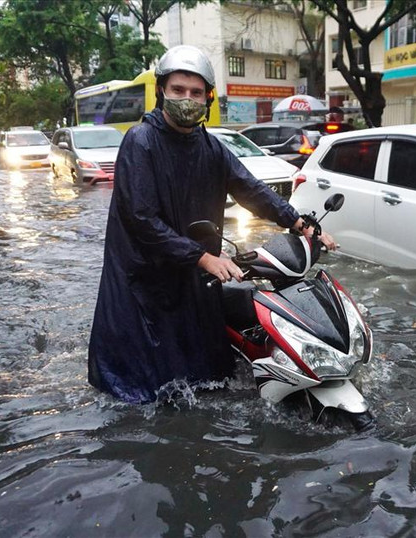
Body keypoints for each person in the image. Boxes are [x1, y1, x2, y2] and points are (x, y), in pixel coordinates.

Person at [87, 45, 336, 404]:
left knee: (204, 377)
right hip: (145, 279)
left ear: (208, 97)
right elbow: (142, 220)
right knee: (146, 386)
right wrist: (205, 258)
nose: (187, 99)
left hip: (192, 272)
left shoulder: (210, 146)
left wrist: (302, 224)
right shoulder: (140, 142)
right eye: (178, 91)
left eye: (196, 92)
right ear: (161, 91)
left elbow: (251, 189)